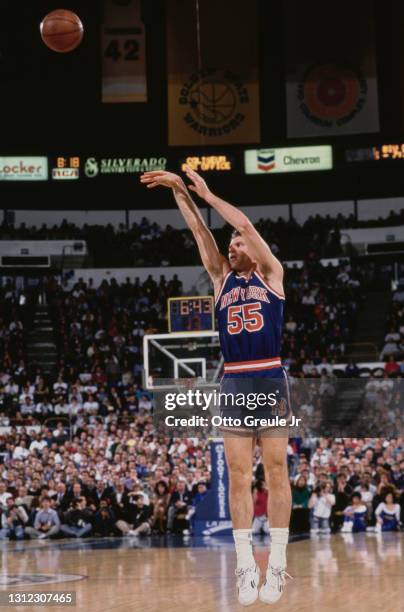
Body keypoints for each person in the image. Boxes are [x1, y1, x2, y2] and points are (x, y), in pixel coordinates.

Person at [141, 167, 292, 605]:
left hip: (269, 373)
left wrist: (207, 193)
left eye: (238, 242)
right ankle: (246, 566)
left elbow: (242, 223)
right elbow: (196, 230)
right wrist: (179, 192)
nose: (233, 243)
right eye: (231, 243)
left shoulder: (271, 274)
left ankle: (277, 564)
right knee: (239, 475)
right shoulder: (221, 279)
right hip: (234, 379)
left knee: (277, 471)